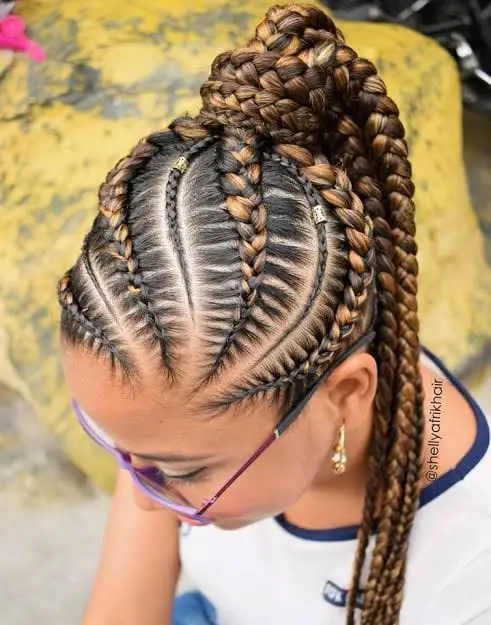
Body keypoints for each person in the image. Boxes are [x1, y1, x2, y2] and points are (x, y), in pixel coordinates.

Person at [57, 4, 491, 625]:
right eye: (114, 446)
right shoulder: (179, 409)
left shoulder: (471, 574)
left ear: (345, 391)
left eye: (180, 471)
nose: (142, 497)